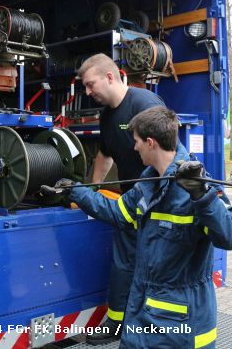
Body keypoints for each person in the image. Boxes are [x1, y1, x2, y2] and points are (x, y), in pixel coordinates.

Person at [43, 106, 232, 348]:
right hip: (143, 316)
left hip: (178, 327)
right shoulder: (148, 183)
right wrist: (76, 190)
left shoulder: (197, 187)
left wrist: (202, 196)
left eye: (137, 141)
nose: (134, 147)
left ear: (150, 143)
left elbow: (230, 236)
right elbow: (117, 213)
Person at [78, 53, 165, 344]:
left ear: (110, 77)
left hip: (156, 205)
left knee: (153, 265)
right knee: (124, 262)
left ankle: (152, 324)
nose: (88, 92)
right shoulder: (107, 116)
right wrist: (90, 191)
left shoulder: (146, 105)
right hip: (131, 203)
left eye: (90, 85)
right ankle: (117, 323)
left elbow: (168, 156)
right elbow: (105, 155)